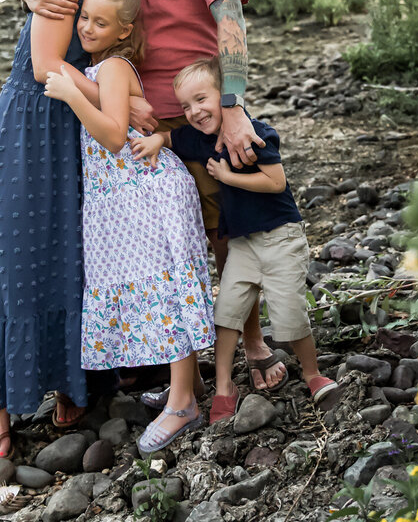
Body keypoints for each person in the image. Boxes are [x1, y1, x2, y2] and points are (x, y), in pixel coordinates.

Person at [20, 0, 287, 393]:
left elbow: (231, 19)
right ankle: (162, 353)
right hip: (132, 103)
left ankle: (255, 341)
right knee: (157, 242)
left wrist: (234, 105)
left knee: (225, 229)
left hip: (197, 108)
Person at [0, 0, 146, 460]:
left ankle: (69, 383)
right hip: (30, 127)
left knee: (68, 253)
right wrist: (118, 100)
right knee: (10, 254)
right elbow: (44, 67)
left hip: (72, 131)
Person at [43, 0, 215, 453]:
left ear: (123, 31)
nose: (87, 28)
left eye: (100, 22)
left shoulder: (115, 67)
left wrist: (73, 95)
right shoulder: (100, 67)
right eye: (84, 19)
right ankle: (189, 387)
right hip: (119, 198)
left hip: (145, 192)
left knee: (163, 288)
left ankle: (183, 405)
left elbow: (115, 136)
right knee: (153, 288)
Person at [133, 58, 340, 422]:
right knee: (227, 311)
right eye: (185, 106)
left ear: (226, 98)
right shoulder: (199, 140)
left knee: (289, 312)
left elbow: (275, 182)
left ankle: (312, 374)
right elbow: (171, 136)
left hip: (279, 237)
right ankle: (226, 385)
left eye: (201, 99)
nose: (194, 111)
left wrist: (228, 177)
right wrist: (155, 141)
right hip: (243, 243)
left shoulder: (255, 134)